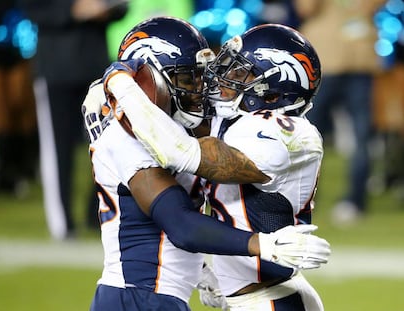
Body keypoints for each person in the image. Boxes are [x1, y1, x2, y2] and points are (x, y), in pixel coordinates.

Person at [84, 17, 330, 311]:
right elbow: (178, 225)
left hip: (265, 297)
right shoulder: (130, 136)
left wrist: (119, 84)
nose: (206, 86)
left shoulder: (277, 130)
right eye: (189, 78)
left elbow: (181, 154)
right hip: (138, 296)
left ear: (274, 93)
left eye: (240, 74)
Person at [20, 0, 128, 239]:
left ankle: (97, 213)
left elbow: (122, 6)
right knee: (58, 149)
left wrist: (106, 10)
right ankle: (62, 221)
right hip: (55, 69)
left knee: (105, 145)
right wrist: (72, 11)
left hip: (95, 69)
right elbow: (31, 9)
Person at [294, 0, 386, 224]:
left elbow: (374, 6)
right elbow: (305, 8)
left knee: (362, 136)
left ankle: (355, 200)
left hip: (359, 63)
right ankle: (300, 198)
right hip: (324, 62)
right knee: (307, 135)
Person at [0, 0, 39, 197]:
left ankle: (24, 167)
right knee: (0, 116)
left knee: (22, 111)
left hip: (22, 55)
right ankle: (4, 172)